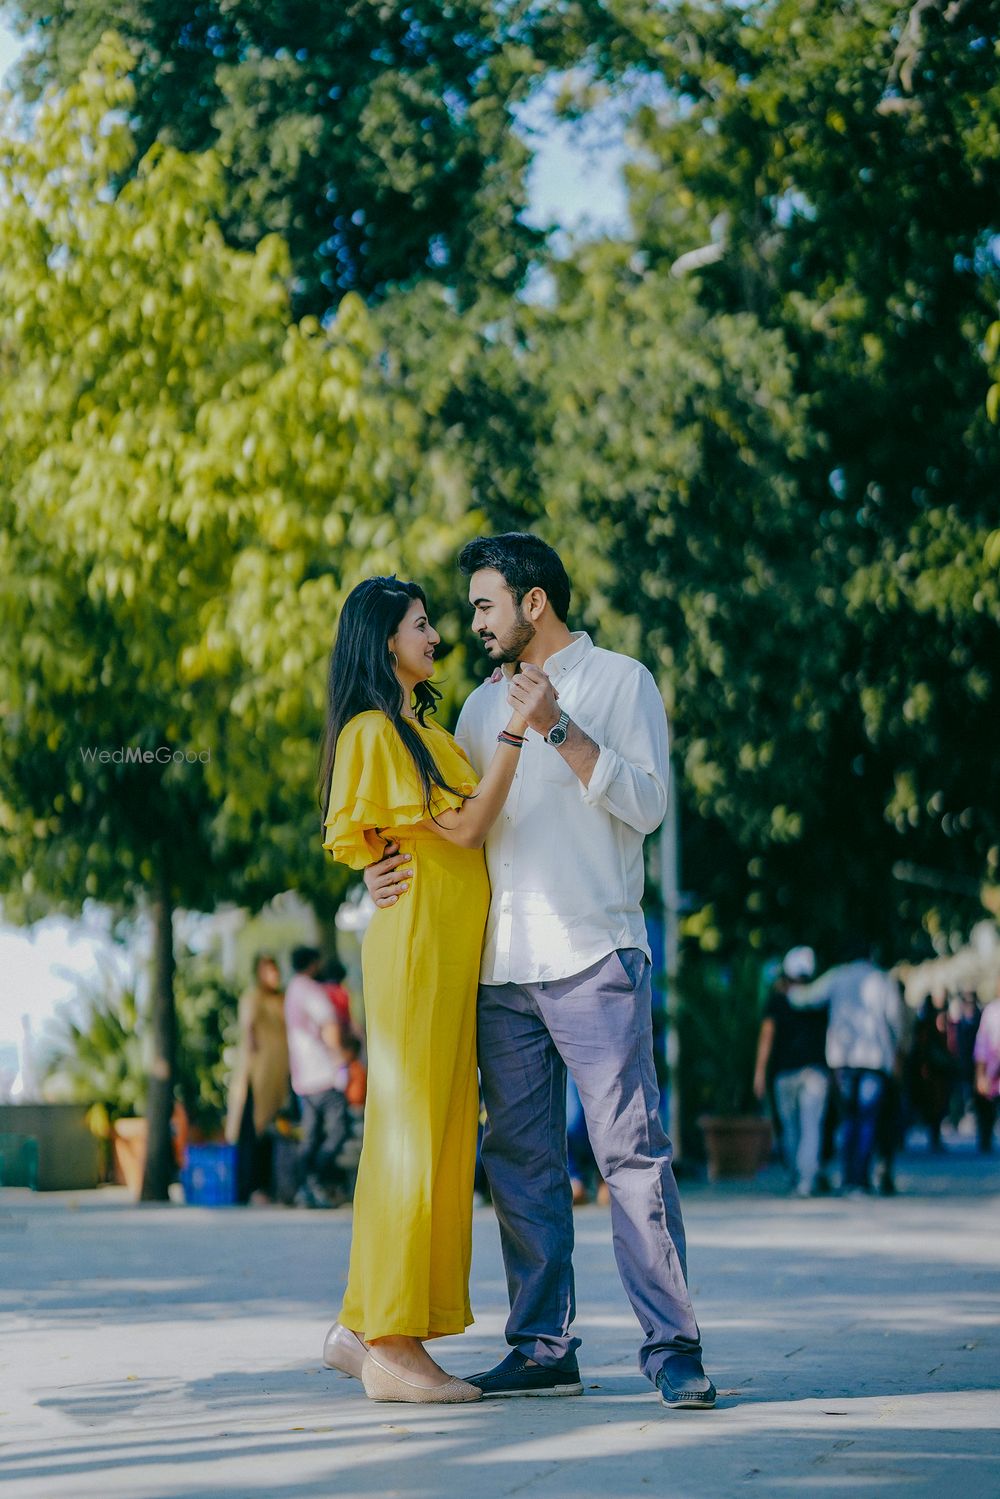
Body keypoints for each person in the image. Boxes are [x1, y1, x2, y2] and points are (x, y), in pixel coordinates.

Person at [364, 533, 715, 1411]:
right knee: (519, 1161)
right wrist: (371, 869)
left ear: (533, 603)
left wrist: (559, 725)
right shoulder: (476, 712)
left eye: (485, 604)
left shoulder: (622, 681)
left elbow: (649, 803)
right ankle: (542, 1344)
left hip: (595, 953)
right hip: (501, 970)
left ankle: (673, 1346)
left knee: (629, 1154)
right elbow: (446, 824)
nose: (470, 623)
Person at [318, 575, 530, 1405]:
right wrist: (516, 732)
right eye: (420, 623)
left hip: (448, 955)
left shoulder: (426, 730)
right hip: (414, 953)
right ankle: (391, 1341)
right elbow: (466, 826)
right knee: (409, 1137)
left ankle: (360, 1326)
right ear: (383, 640)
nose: (436, 633)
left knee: (438, 1137)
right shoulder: (376, 730)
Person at [794, 942, 903, 1194]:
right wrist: (897, 1050)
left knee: (849, 1119)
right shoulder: (881, 979)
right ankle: (859, 1179)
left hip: (842, 1059)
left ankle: (847, 1177)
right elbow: (895, 1019)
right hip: (875, 1059)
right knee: (867, 1120)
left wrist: (788, 989)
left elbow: (808, 998)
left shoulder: (838, 976)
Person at [753, 946, 829, 1198]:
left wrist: (760, 1072)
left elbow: (767, 1036)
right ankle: (807, 1179)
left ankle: (799, 1174)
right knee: (811, 1127)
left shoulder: (777, 1000)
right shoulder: (819, 999)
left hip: (785, 1074)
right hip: (815, 1072)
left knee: (791, 1128)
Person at [285, 946, 351, 1210]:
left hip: (302, 1075)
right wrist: (340, 1059)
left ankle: (306, 1187)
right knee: (338, 1130)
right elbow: (329, 1024)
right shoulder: (310, 990)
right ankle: (316, 1181)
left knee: (310, 1136)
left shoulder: (291, 991)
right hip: (323, 1072)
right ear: (313, 964)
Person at [224, 952, 290, 1205]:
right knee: (253, 1133)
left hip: (277, 1079)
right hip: (256, 1076)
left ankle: (268, 1186)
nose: (275, 975)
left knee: (274, 1132)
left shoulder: (282, 999)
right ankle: (250, 1188)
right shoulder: (253, 999)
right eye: (269, 970)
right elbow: (249, 1031)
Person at [973, 991, 1000, 1153]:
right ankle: (985, 1138)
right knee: (987, 1108)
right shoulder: (991, 1012)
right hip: (992, 1071)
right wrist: (980, 1074)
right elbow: (981, 1045)